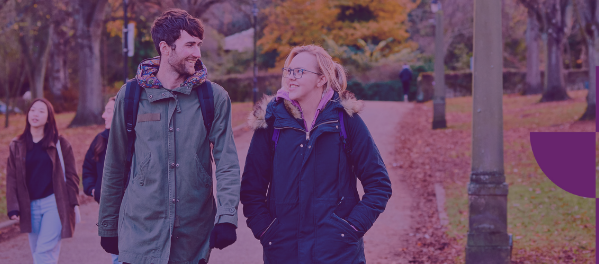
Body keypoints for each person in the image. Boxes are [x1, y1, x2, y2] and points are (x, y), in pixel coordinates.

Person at [97, 9, 241, 264]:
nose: (197, 53)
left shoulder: (214, 98)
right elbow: (114, 164)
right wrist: (108, 225)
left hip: (192, 239)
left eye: (198, 45)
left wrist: (227, 217)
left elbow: (227, 163)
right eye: (189, 45)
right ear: (165, 47)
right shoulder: (130, 96)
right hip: (140, 235)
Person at [241, 45, 392, 263]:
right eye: (289, 71)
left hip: (338, 254)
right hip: (284, 253)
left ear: (321, 79)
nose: (291, 77)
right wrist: (267, 232)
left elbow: (379, 184)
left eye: (300, 72)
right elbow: (251, 189)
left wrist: (350, 228)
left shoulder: (345, 122)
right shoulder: (272, 123)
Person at [6, 98, 80, 264]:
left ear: (49, 118)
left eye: (41, 111)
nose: (36, 114)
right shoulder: (17, 145)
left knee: (43, 252)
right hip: (29, 206)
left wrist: (71, 201)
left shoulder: (60, 143)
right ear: (27, 114)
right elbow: (11, 177)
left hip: (54, 204)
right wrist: (13, 207)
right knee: (41, 253)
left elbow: (72, 175)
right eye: (33, 110)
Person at [82, 97, 121, 264]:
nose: (104, 116)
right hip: (108, 209)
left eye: (109, 111)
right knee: (116, 255)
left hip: (132, 209)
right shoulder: (100, 139)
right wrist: (93, 189)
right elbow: (88, 168)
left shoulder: (135, 140)